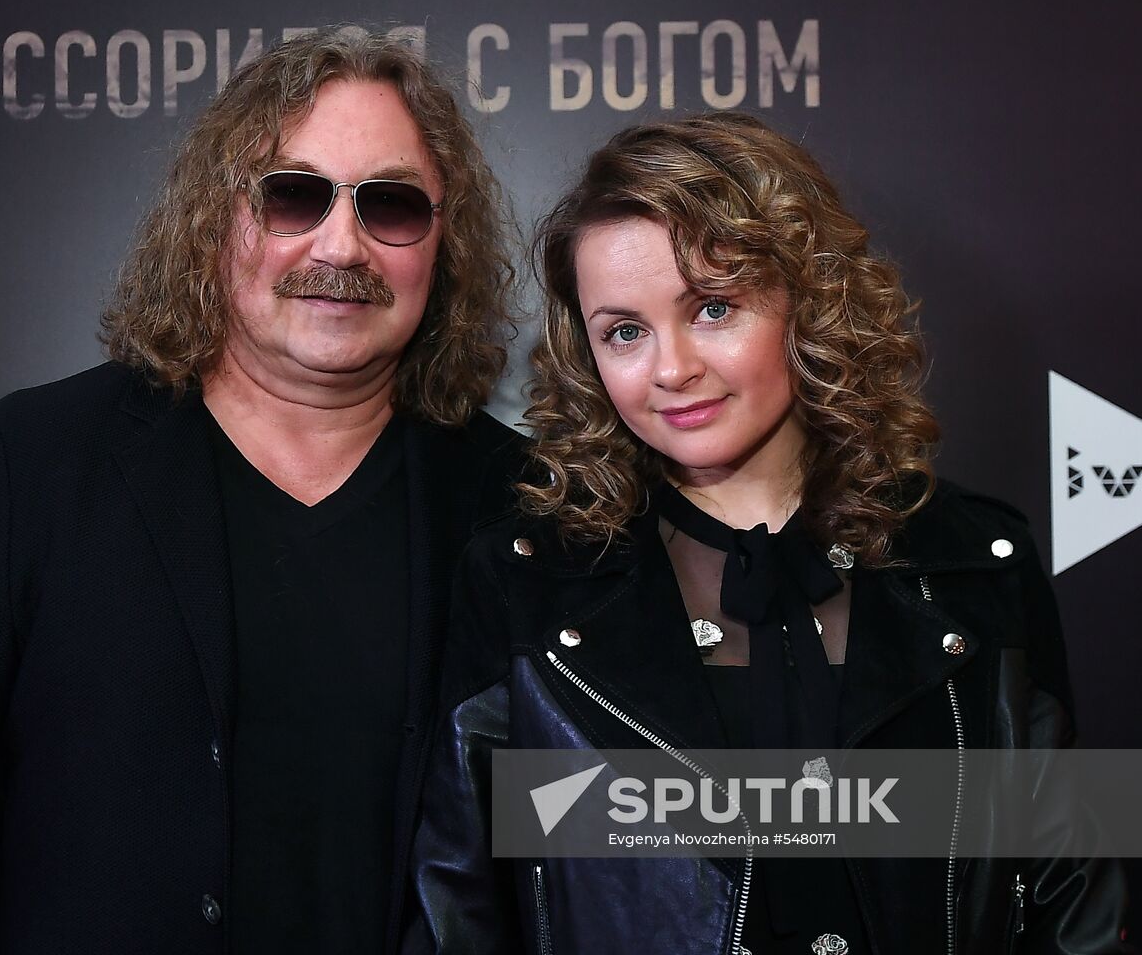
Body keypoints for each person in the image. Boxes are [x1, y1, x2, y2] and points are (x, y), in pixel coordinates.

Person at [0, 28, 526, 954]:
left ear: (444, 243)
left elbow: (568, 847)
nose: (342, 244)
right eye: (292, 195)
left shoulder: (515, 501)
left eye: (390, 206)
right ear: (213, 220)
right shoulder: (38, 462)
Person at [408, 113, 1130, 954]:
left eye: (714, 308)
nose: (671, 369)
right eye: (625, 332)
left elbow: (1075, 906)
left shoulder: (978, 562)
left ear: (809, 301)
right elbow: (462, 912)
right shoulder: (525, 582)